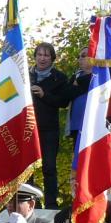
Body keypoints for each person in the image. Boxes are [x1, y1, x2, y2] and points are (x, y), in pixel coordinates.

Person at [29, 42, 74, 209]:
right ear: (35, 57)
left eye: (46, 55)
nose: (42, 58)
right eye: (39, 54)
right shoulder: (26, 75)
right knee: (28, 168)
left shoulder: (60, 77)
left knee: (49, 166)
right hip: (28, 129)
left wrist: (43, 94)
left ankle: (51, 204)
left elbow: (63, 102)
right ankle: (30, 202)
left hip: (49, 129)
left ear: (52, 58)